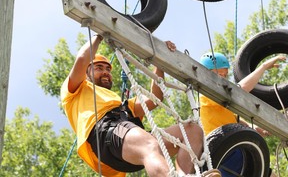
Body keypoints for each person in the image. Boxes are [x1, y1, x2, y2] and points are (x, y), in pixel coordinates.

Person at [61, 35, 221, 177]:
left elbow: (155, 98)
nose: (106, 72)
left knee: (192, 130)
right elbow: (82, 59)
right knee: (149, 144)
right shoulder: (76, 90)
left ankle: (183, 174)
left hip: (128, 143)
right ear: (86, 74)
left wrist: (160, 62)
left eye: (108, 69)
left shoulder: (122, 107)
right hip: (105, 135)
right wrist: (99, 33)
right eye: (98, 68)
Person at [199, 52, 285, 177]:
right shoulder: (206, 95)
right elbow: (239, 89)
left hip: (236, 151)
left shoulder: (220, 102)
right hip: (224, 152)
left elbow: (234, 122)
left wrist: (255, 128)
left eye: (225, 75)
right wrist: (263, 67)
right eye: (218, 74)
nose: (222, 79)